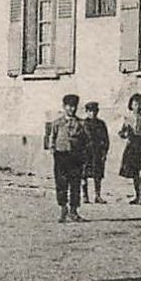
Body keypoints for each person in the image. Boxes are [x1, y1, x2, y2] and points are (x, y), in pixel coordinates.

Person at [47, 94, 88, 223]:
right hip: (61, 156)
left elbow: (86, 140)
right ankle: (63, 209)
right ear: (64, 107)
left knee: (75, 184)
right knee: (61, 183)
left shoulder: (81, 123)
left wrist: (84, 154)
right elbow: (51, 138)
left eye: (74, 106)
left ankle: (73, 211)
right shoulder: (57, 123)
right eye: (69, 106)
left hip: (75, 157)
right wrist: (53, 149)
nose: (71, 109)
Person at [81, 101, 110, 205]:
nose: (92, 113)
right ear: (86, 112)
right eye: (90, 111)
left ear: (97, 112)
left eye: (94, 111)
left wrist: (104, 153)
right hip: (85, 153)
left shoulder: (101, 124)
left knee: (97, 175)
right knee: (84, 175)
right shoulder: (83, 123)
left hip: (97, 153)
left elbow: (106, 140)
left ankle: (97, 196)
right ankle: (85, 196)